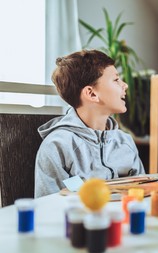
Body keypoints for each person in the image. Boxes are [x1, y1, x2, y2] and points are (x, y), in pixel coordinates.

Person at [35, 49, 145, 198]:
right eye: (116, 80)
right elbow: (50, 207)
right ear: (92, 94)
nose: (124, 85)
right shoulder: (57, 147)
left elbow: (143, 195)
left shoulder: (125, 142)